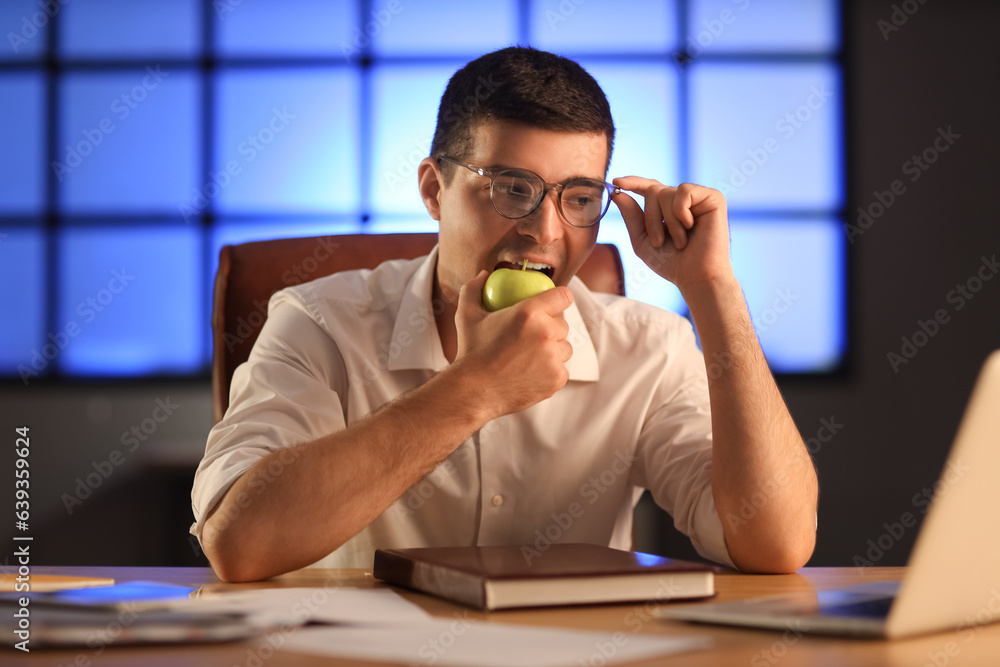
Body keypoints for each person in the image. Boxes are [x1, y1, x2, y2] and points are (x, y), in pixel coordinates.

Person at [191, 47, 818, 583]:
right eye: (511, 188)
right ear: (435, 190)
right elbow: (239, 543)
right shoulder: (319, 321)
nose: (543, 232)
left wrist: (714, 290)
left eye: (578, 198)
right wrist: (475, 389)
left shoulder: (650, 347)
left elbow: (775, 544)